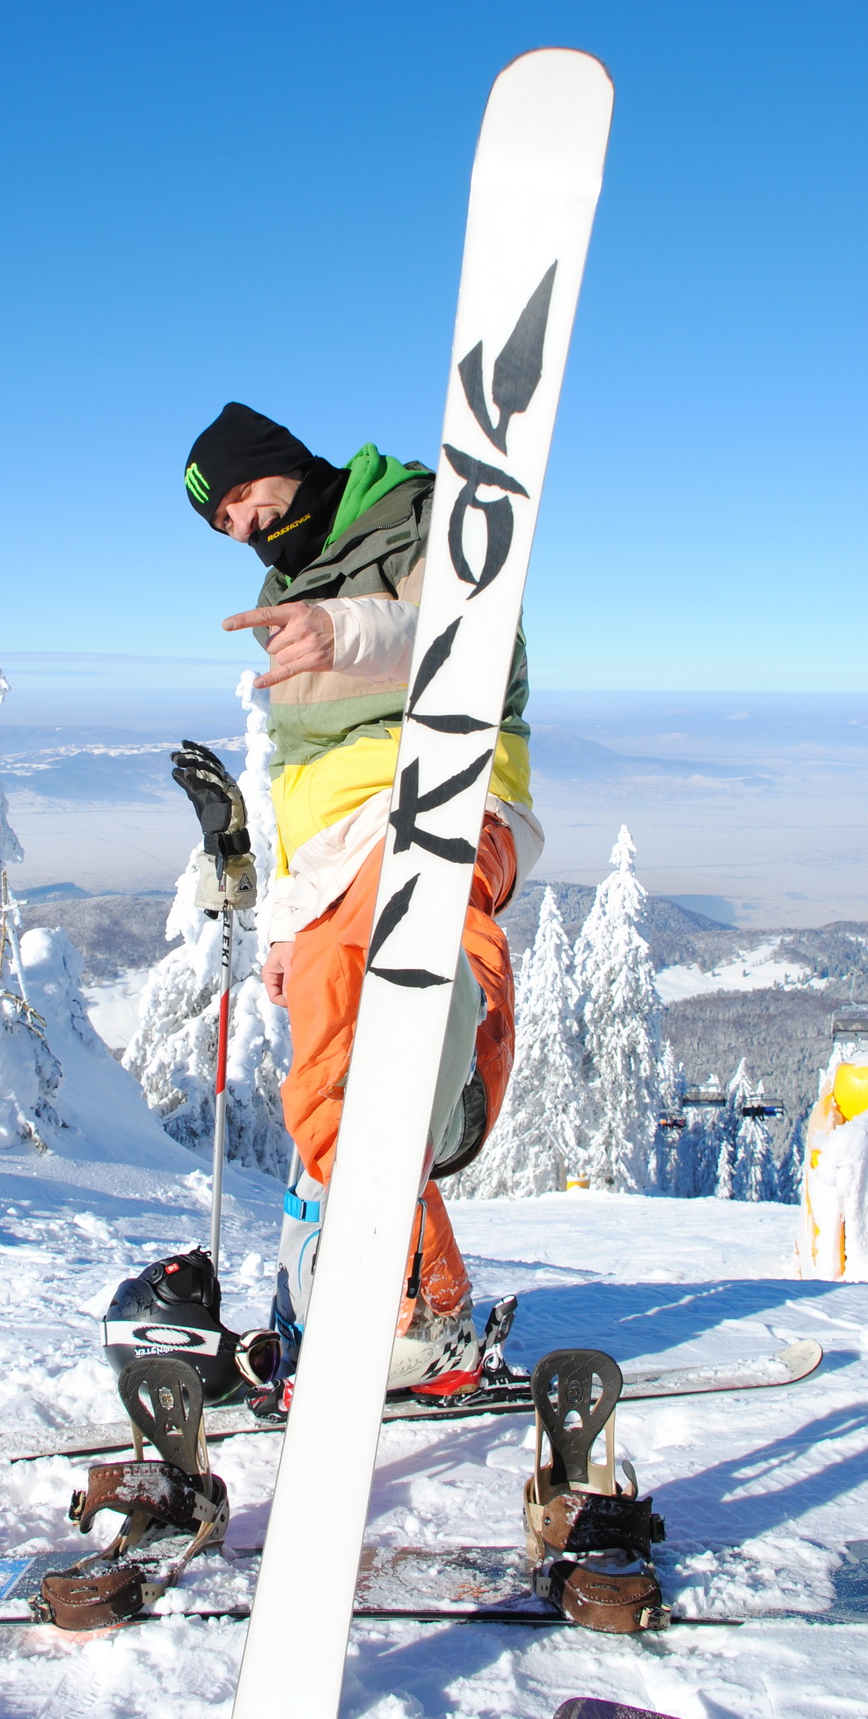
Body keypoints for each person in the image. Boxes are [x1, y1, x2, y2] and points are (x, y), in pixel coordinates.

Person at [182, 400, 544, 1399]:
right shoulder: (283, 595)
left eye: (243, 498)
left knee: (380, 1036)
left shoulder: (419, 517)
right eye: (223, 527)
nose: (244, 527)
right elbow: (301, 794)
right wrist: (291, 922)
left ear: (277, 463)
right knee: (329, 1097)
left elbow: (483, 642)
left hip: (444, 800)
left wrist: (349, 630)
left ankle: (417, 1281)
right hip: (340, 866)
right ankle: (420, 1300)